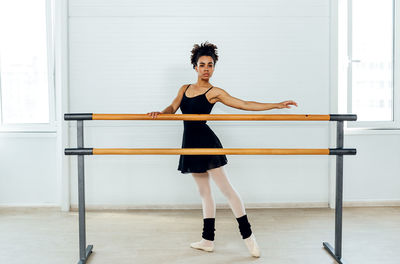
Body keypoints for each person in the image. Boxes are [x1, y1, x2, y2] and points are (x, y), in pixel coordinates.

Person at [147, 41, 298, 258]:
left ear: (214, 67)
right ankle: (207, 240)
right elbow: (172, 108)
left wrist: (275, 105)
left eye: (210, 65)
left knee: (227, 190)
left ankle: (249, 238)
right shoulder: (184, 88)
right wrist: (160, 113)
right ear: (195, 67)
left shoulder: (214, 92)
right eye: (202, 64)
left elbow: (244, 104)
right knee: (204, 192)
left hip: (207, 144)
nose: (206, 68)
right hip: (190, 144)